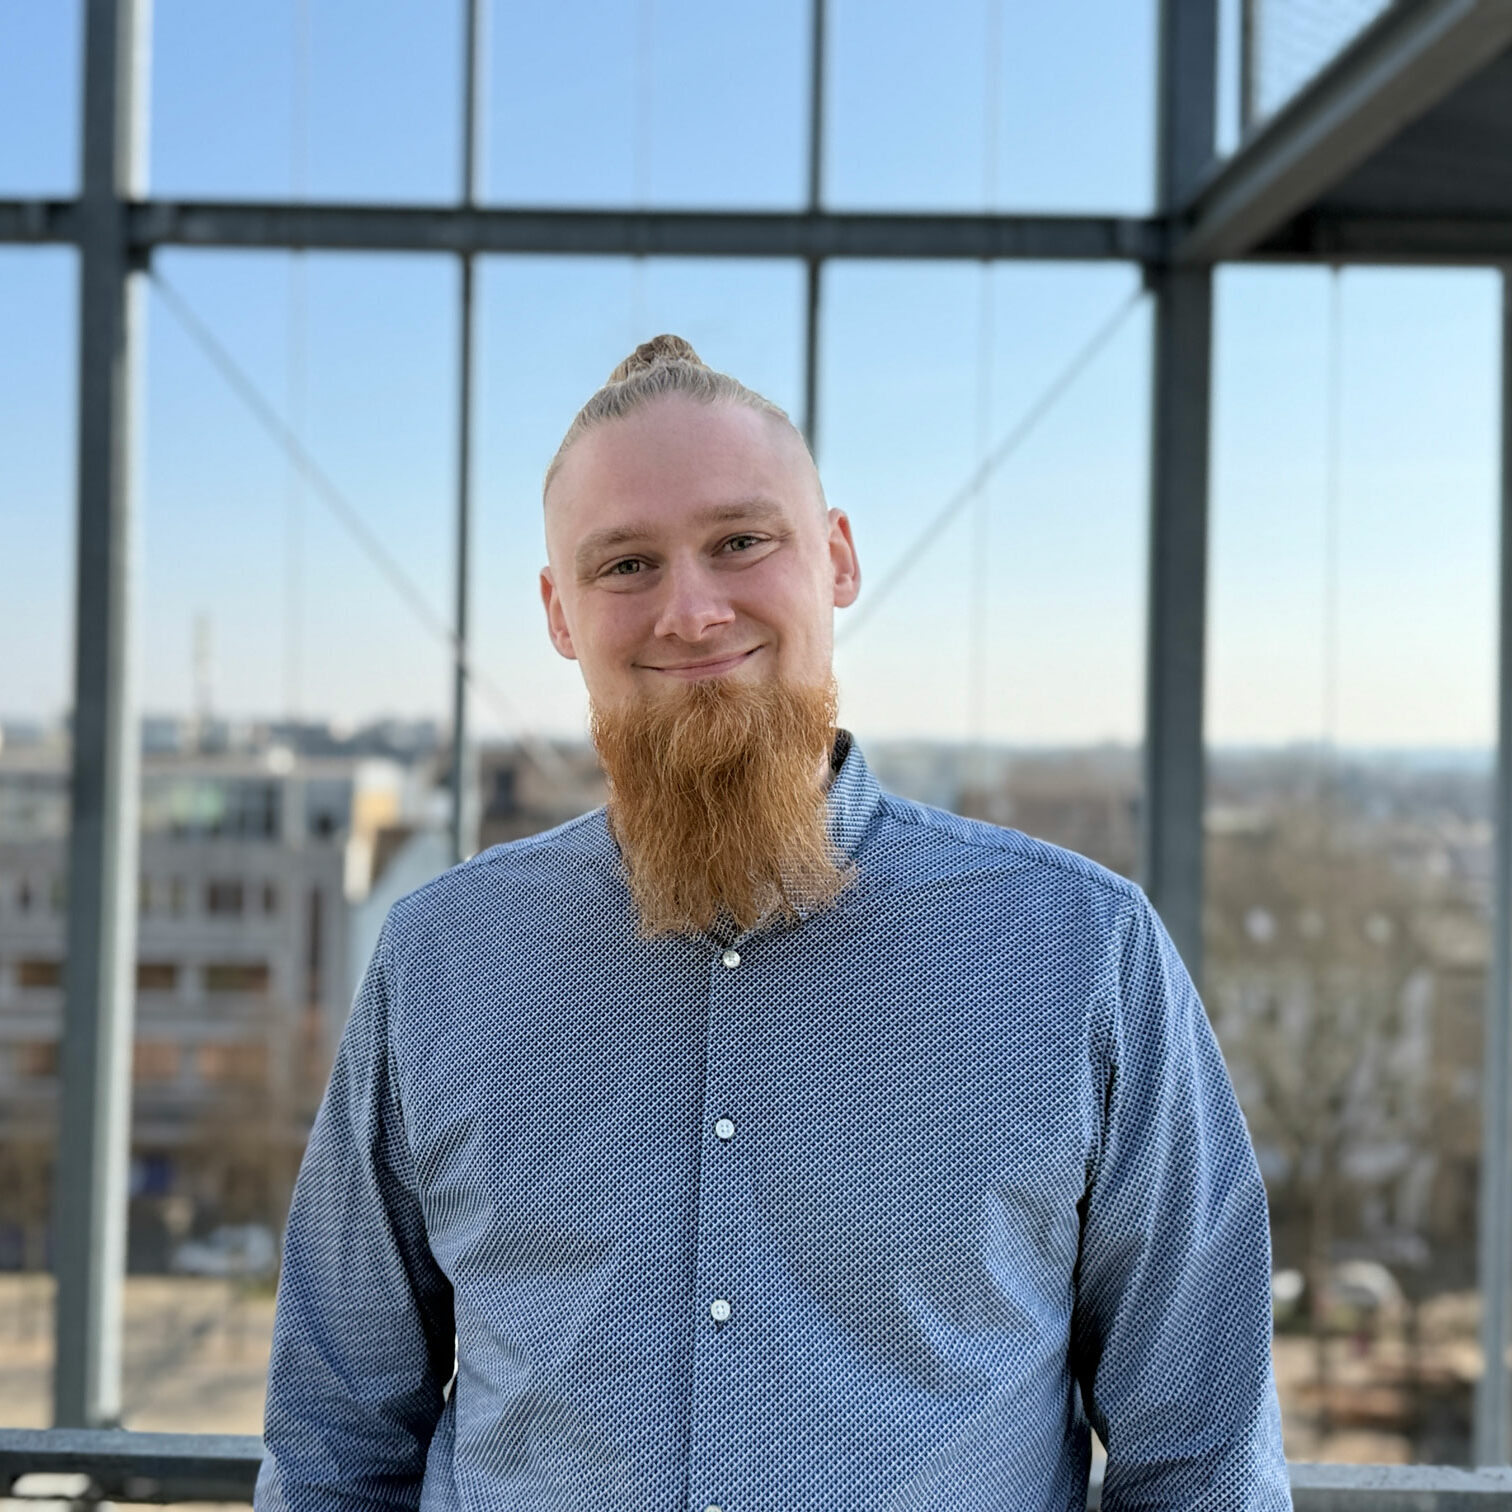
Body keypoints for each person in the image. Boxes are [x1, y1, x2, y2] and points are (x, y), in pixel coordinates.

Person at [255, 336, 1291, 1512]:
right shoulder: (441, 960)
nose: (692, 612)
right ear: (559, 612)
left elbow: (1205, 1458)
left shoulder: (1083, 953)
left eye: (742, 542)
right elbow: (335, 1439)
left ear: (836, 557)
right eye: (626, 564)